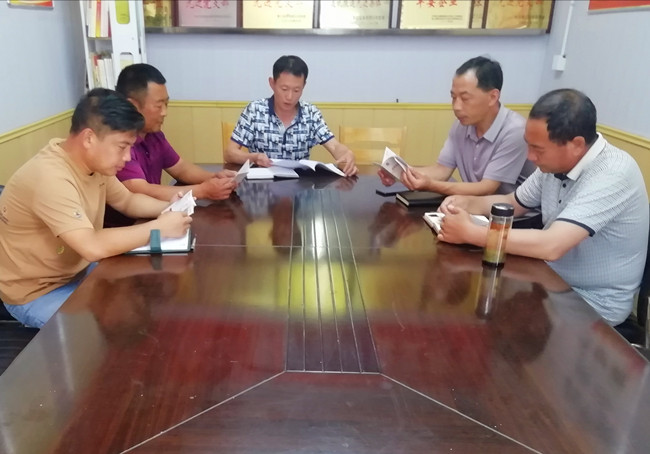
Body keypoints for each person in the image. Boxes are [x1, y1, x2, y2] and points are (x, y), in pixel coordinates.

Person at [436, 88, 649, 326]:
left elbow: (551, 245)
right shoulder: (554, 164)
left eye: (538, 149)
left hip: (591, 303)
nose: (530, 156)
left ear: (577, 144)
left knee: (492, 322)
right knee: (481, 306)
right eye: (529, 145)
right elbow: (512, 203)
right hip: (548, 280)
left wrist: (471, 233)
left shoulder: (613, 173)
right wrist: (468, 203)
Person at [0, 88, 192, 328]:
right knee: (97, 331)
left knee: (143, 294)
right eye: (122, 147)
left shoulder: (93, 165)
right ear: (89, 138)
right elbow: (91, 246)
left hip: (78, 272)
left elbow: (127, 201)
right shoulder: (50, 177)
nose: (127, 157)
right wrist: (160, 228)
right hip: (37, 293)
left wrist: (170, 208)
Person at [379, 56, 535, 196]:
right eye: (453, 97)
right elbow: (442, 170)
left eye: (465, 98)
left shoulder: (515, 130)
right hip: (475, 207)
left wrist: (431, 185)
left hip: (514, 216)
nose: (456, 107)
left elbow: (487, 188)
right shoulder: (462, 125)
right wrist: (400, 174)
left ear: (493, 97)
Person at [114, 63, 237, 204]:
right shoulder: (119, 143)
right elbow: (141, 190)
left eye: (166, 104)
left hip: (156, 212)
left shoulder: (154, 135)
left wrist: (215, 178)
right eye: (158, 106)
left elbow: (181, 168)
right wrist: (203, 191)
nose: (164, 112)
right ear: (133, 106)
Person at [223, 55, 358, 177]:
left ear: (304, 86)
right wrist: (254, 157)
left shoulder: (310, 113)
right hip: (261, 186)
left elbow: (334, 146)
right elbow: (229, 153)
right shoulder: (254, 110)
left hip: (299, 188)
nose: (289, 97)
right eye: (284, 89)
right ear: (272, 83)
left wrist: (346, 154)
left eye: (296, 90)